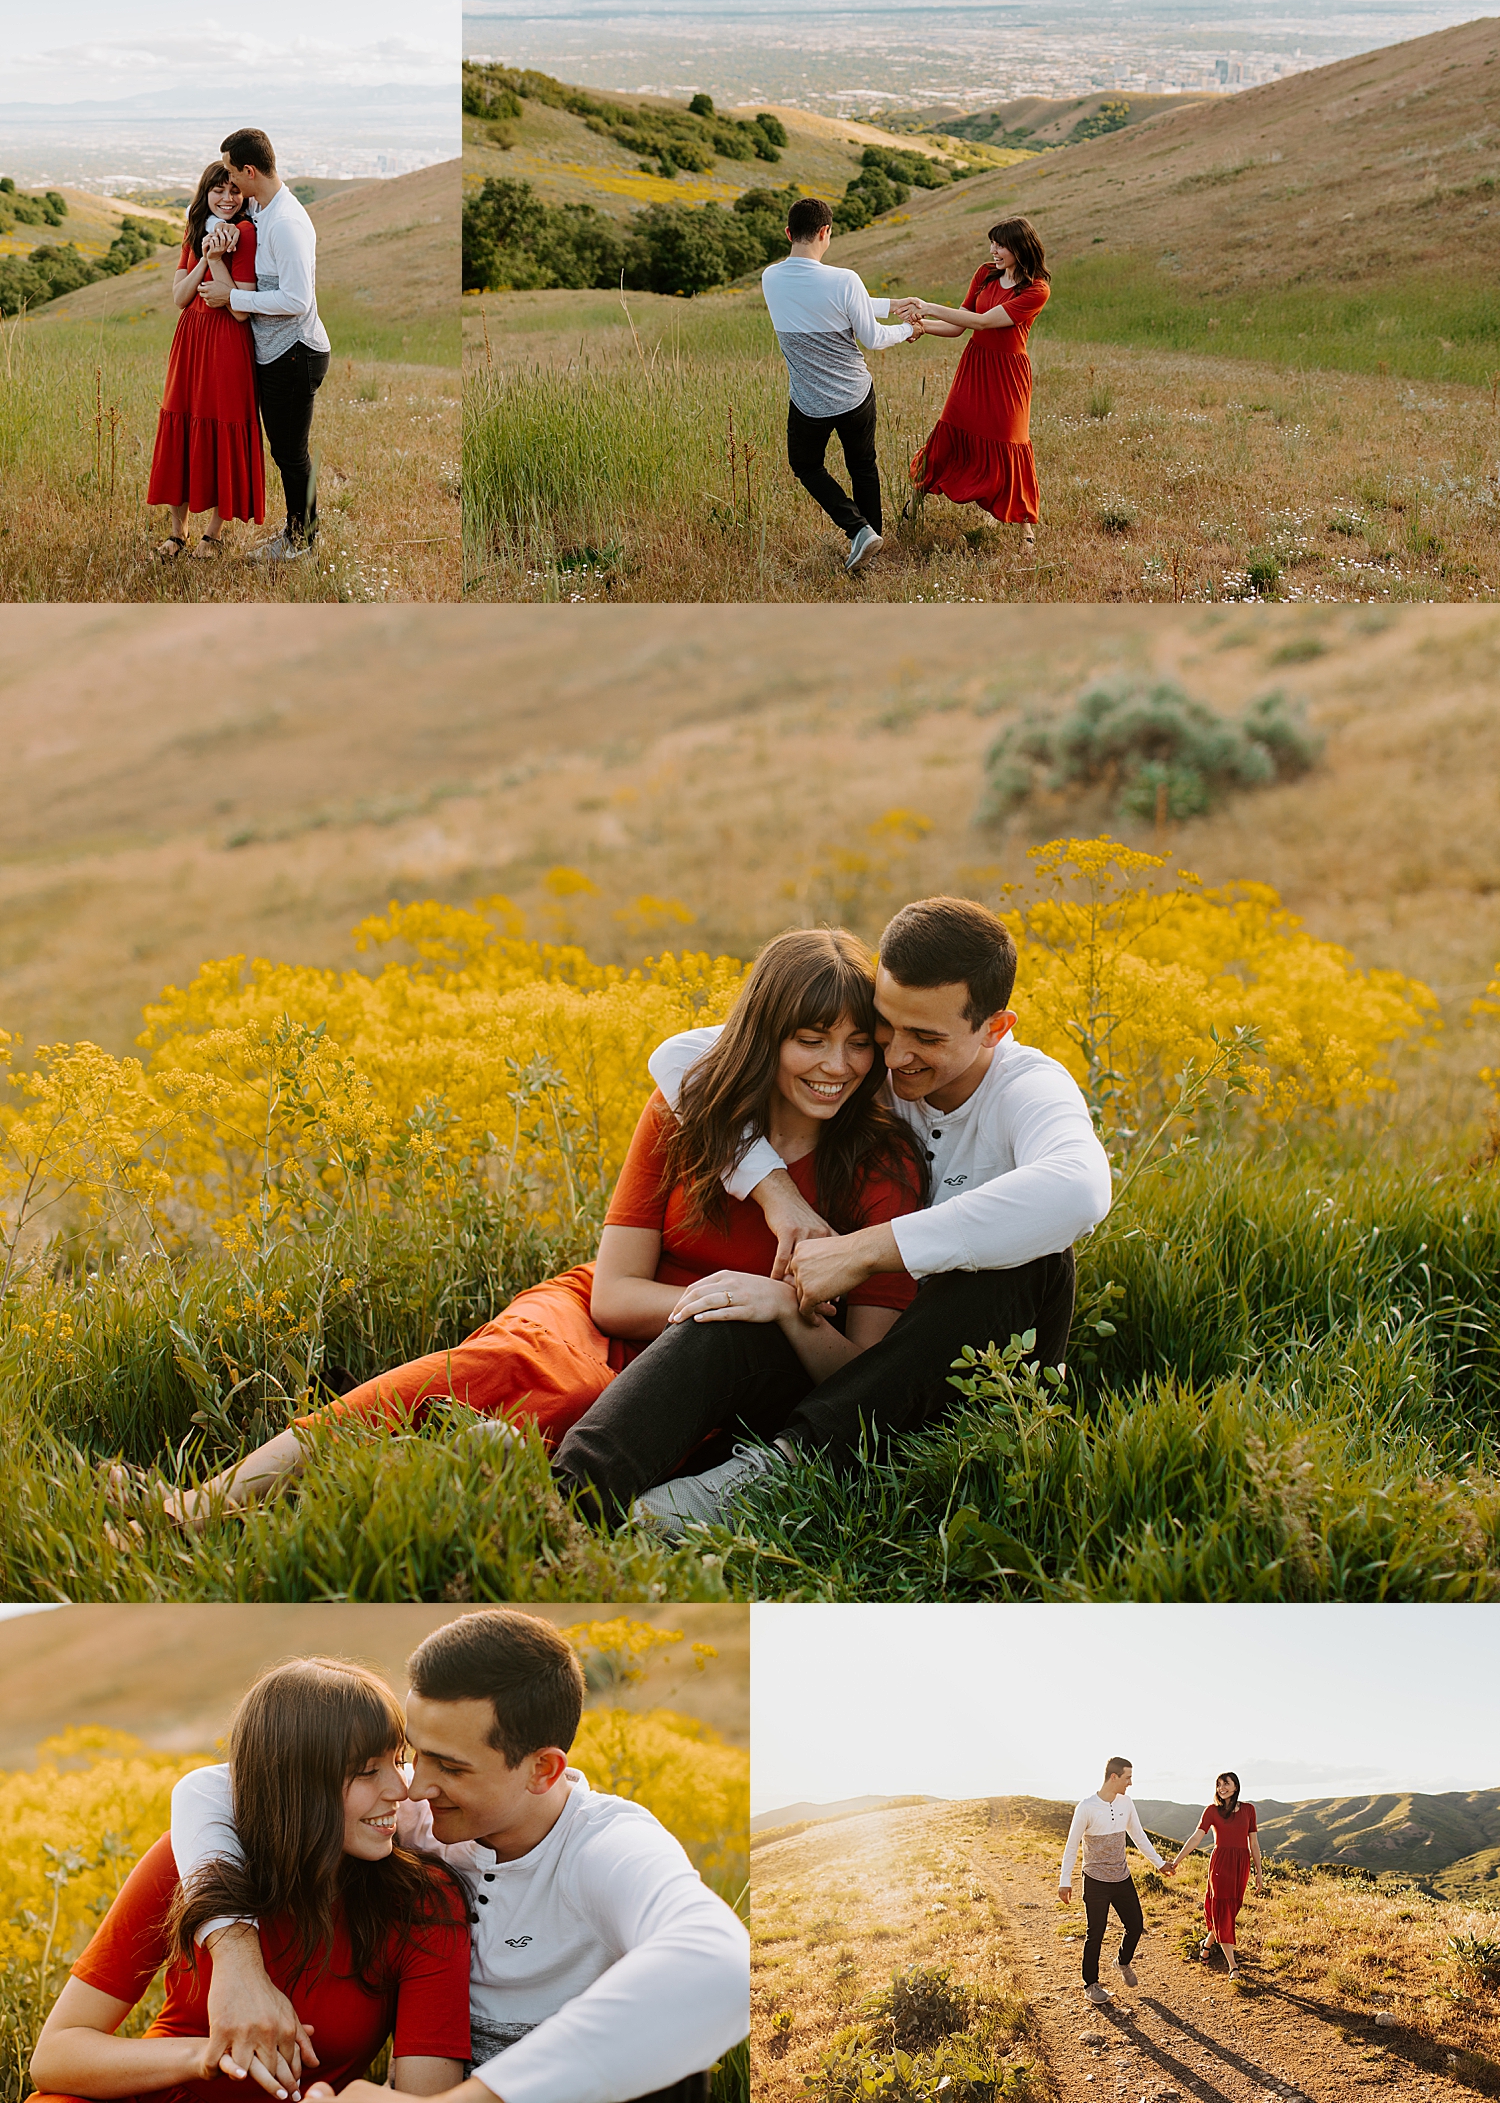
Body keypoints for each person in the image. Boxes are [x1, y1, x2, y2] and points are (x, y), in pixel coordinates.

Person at [124, 927, 925, 1528]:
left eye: (860, 1044)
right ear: (765, 1037)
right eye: (810, 1039)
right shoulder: (688, 1112)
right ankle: (205, 1502)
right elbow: (612, 1293)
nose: (838, 1065)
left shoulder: (879, 1164)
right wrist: (718, 1294)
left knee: (590, 1407)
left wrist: (775, 1306)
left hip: (744, 1349)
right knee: (511, 1368)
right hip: (612, 1307)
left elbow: (861, 1368)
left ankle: (444, 1504)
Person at [557, 895, 1110, 1537]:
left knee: (1032, 1258)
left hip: (971, 1377)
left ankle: (782, 1472)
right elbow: (682, 1059)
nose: (896, 1056)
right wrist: (779, 1196)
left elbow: (1079, 1191)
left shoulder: (1028, 1090)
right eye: (886, 1027)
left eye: (926, 1037)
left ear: (995, 1027)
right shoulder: (869, 1068)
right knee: (737, 1315)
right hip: (848, 1367)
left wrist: (867, 1250)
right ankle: (568, 1506)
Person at [168, 1608, 750, 2103]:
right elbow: (207, 1789)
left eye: (450, 1767)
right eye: (413, 1754)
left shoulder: (605, 1846)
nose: (415, 1787)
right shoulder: (428, 1818)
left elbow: (720, 1966)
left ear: (542, 1770)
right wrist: (238, 1965)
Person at [29, 1658, 472, 2103]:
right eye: (366, 1770)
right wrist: (208, 2055)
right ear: (295, 1781)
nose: (401, 1789)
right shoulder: (187, 1859)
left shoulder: (424, 1903)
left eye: (398, 1760)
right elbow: (55, 2057)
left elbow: (426, 2097)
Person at [761, 195, 921, 575]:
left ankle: (858, 530)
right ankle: (870, 537)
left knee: (806, 465)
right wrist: (909, 327)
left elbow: (828, 299)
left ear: (788, 233)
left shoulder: (771, 277)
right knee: (862, 467)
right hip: (855, 395)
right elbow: (873, 337)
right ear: (825, 232)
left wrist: (891, 303)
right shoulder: (845, 279)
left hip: (809, 402)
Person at [197, 128, 331, 563]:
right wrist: (224, 230)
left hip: (295, 353)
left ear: (250, 171)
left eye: (235, 175)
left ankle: (303, 542)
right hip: (276, 352)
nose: (231, 185)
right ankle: (299, 534)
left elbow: (297, 300)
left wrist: (232, 298)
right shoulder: (263, 207)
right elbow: (215, 208)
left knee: (292, 455)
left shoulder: (288, 224)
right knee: (284, 450)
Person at [894, 218, 1050, 550]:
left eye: (1000, 245)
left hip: (1007, 376)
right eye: (992, 243)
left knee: (1011, 443)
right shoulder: (984, 275)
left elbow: (983, 321)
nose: (993, 251)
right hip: (974, 366)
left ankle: (1025, 531)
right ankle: (912, 508)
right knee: (948, 432)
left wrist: (928, 306)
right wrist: (922, 327)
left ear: (1020, 248)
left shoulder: (1036, 290)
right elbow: (958, 327)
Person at [145, 161, 265, 560]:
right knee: (180, 420)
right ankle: (177, 533)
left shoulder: (245, 234)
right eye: (219, 190)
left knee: (221, 424)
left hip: (227, 341)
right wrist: (205, 254)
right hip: (191, 338)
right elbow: (180, 297)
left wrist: (217, 260)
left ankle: (213, 533)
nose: (228, 198)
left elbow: (240, 308)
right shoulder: (196, 230)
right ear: (205, 193)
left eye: (234, 191)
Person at [1057, 1756, 1167, 2005]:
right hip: (1096, 1880)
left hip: (1121, 1877)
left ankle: (1122, 1962)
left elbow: (1138, 1836)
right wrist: (1065, 1881)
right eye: (1128, 1777)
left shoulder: (1126, 1803)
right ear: (1114, 1777)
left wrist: (1159, 1864)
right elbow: (1071, 1846)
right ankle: (1091, 1984)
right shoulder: (1086, 1807)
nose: (1130, 1783)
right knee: (1095, 1932)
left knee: (1136, 1925)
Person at [1163, 1772, 1263, 1974]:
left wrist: (1259, 1872)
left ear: (1236, 1786)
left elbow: (1253, 1843)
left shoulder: (1249, 1810)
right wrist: (1176, 1861)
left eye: (1226, 1783)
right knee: (1223, 1911)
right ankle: (1233, 1966)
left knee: (1231, 1910)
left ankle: (1207, 1944)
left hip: (1240, 1864)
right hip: (1220, 1865)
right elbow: (1195, 1838)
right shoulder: (1212, 1811)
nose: (1222, 1788)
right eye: (1218, 1785)